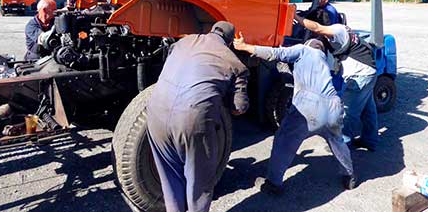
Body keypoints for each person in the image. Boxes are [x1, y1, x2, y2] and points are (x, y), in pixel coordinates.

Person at [147, 21, 249, 212]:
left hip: (154, 112)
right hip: (191, 119)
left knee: (169, 175)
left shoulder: (182, 43)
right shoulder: (235, 63)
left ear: (211, 31)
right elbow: (239, 108)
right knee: (199, 182)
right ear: (229, 41)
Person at [234, 35, 355, 194]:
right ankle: (349, 176)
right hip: (333, 105)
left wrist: (245, 47)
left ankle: (273, 183)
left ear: (308, 44)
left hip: (309, 105)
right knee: (337, 141)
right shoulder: (324, 60)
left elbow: (275, 53)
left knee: (284, 141)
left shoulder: (303, 50)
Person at [294, 13, 378, 152]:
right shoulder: (341, 31)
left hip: (360, 75)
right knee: (368, 110)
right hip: (369, 71)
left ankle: (342, 144)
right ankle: (370, 140)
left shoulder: (337, 30)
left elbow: (317, 27)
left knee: (347, 112)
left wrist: (296, 17)